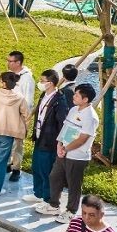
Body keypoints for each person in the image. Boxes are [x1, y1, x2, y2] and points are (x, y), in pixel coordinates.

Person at [34, 84, 98, 223]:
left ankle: (71, 211)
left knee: (73, 184)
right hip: (63, 151)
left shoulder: (91, 117)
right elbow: (65, 128)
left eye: (77, 95)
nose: (73, 96)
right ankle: (54, 205)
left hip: (77, 156)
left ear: (85, 99)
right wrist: (59, 144)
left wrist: (66, 149)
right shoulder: (74, 109)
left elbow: (82, 139)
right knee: (54, 177)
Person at [25, 70, 69, 206]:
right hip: (39, 137)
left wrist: (61, 143)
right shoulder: (43, 95)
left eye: (42, 81)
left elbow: (63, 122)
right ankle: (38, 193)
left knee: (46, 171)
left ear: (50, 83)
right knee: (36, 167)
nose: (40, 83)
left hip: (50, 141)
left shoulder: (59, 100)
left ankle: (48, 199)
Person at [0, 73, 30, 196]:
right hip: (7, 134)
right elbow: (27, 115)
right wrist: (24, 128)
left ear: (3, 83)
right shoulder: (20, 98)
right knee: (1, 162)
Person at [6, 51, 34, 182]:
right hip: (7, 114)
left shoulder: (27, 79)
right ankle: (7, 164)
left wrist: (24, 119)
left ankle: (16, 169)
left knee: (17, 144)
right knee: (7, 141)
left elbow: (28, 101)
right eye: (7, 60)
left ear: (18, 62)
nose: (8, 63)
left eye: (10, 61)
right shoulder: (9, 74)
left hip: (19, 116)